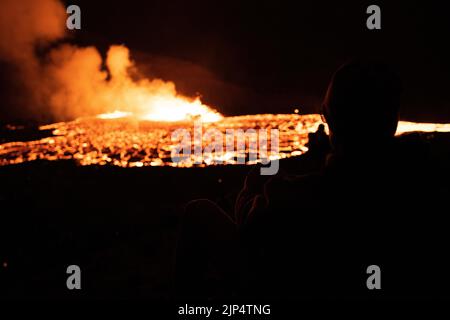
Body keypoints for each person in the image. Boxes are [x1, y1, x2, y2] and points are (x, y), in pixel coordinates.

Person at [175, 60, 445, 299]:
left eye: (328, 117)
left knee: (198, 211)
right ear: (392, 120)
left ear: (333, 122)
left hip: (297, 281)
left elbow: (253, 223)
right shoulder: (421, 173)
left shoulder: (307, 192)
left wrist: (256, 181)